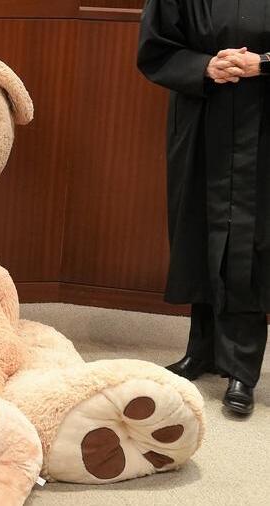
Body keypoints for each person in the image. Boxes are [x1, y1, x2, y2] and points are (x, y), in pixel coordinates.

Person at [137, 0, 270, 415]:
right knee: (199, 227)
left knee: (247, 238)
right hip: (200, 115)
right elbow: (156, 45)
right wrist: (204, 66)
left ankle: (242, 368)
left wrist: (263, 63)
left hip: (261, 117)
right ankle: (203, 351)